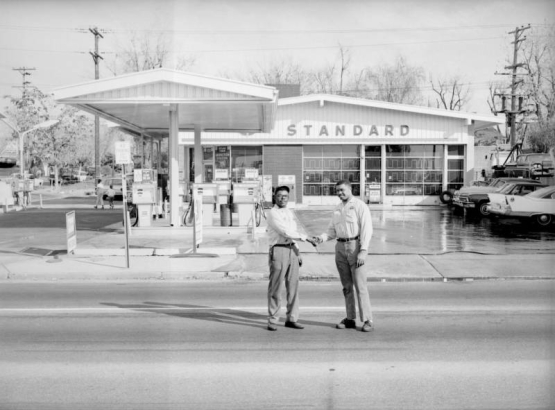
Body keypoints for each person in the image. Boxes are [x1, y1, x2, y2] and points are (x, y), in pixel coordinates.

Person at [309, 180, 374, 332]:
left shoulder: (360, 206)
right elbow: (332, 230)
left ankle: (367, 320)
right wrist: (321, 238)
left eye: (342, 190)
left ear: (350, 189)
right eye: (337, 191)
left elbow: (367, 229)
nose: (339, 193)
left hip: (355, 247)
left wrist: (363, 250)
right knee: (346, 287)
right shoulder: (337, 209)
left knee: (360, 286)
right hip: (340, 248)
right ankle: (350, 318)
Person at [265, 186, 308, 331]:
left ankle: (292, 318)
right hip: (279, 250)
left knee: (293, 287)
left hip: (292, 250)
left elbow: (293, 232)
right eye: (279, 196)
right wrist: (306, 238)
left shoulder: (289, 212)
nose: (283, 198)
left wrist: (298, 251)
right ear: (275, 197)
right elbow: (284, 231)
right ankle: (273, 319)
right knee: (276, 287)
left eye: (285, 196)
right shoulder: (272, 213)